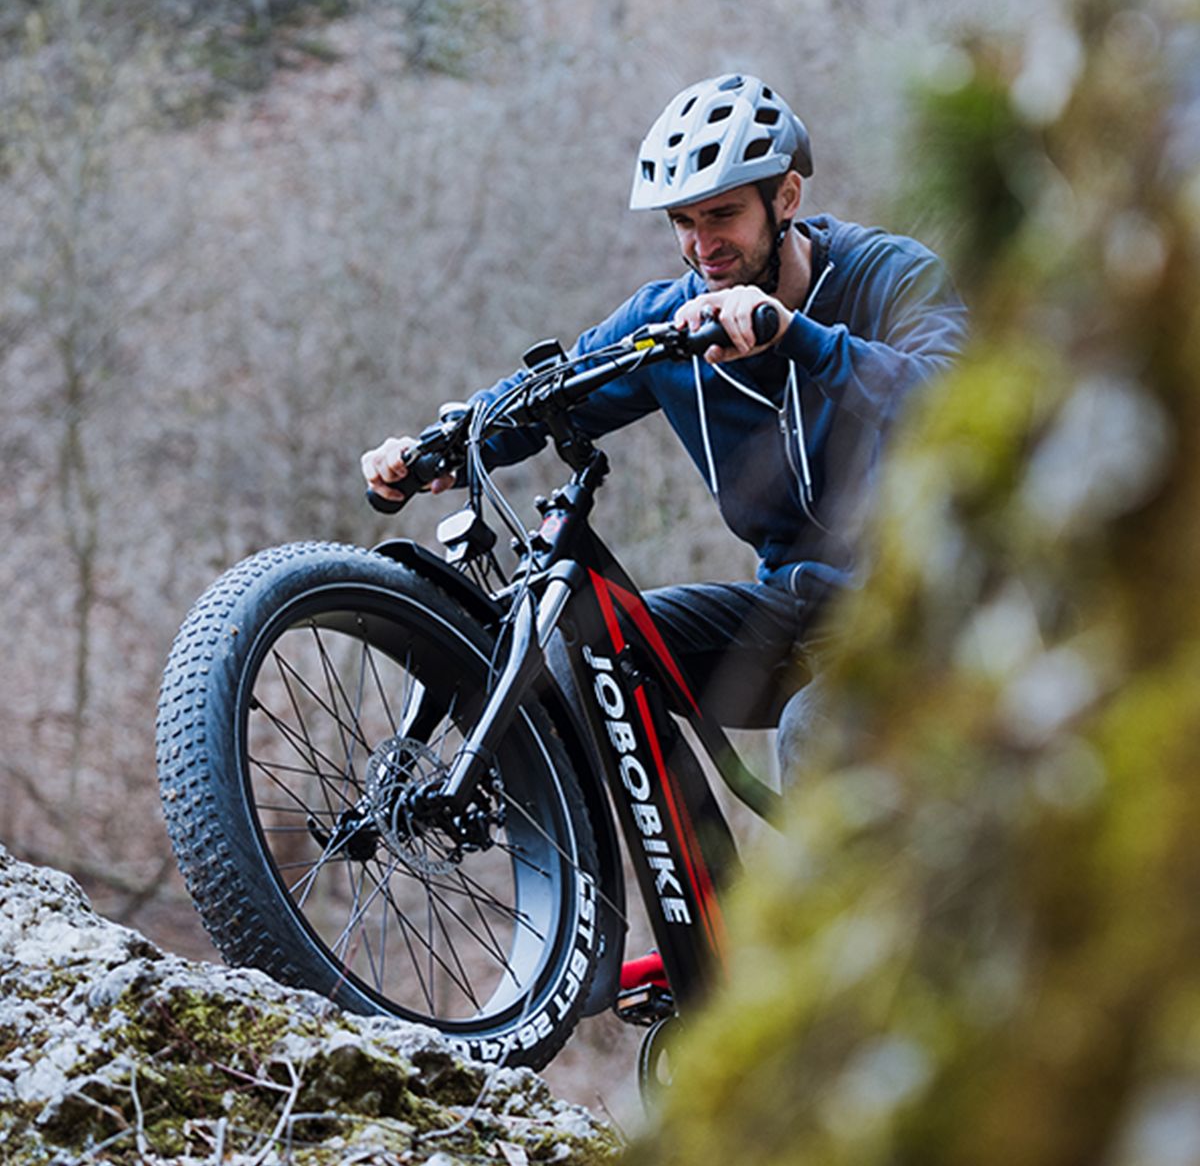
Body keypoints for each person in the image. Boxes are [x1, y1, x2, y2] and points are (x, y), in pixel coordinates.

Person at [362, 72, 967, 754]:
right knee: (587, 657)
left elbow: (958, 401)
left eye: (723, 216)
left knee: (813, 731)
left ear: (786, 197)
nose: (701, 246)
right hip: (796, 610)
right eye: (683, 222)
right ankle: (689, 860)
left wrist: (797, 335)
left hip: (935, 607)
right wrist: (436, 450)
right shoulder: (670, 322)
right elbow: (555, 391)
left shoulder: (884, 274)